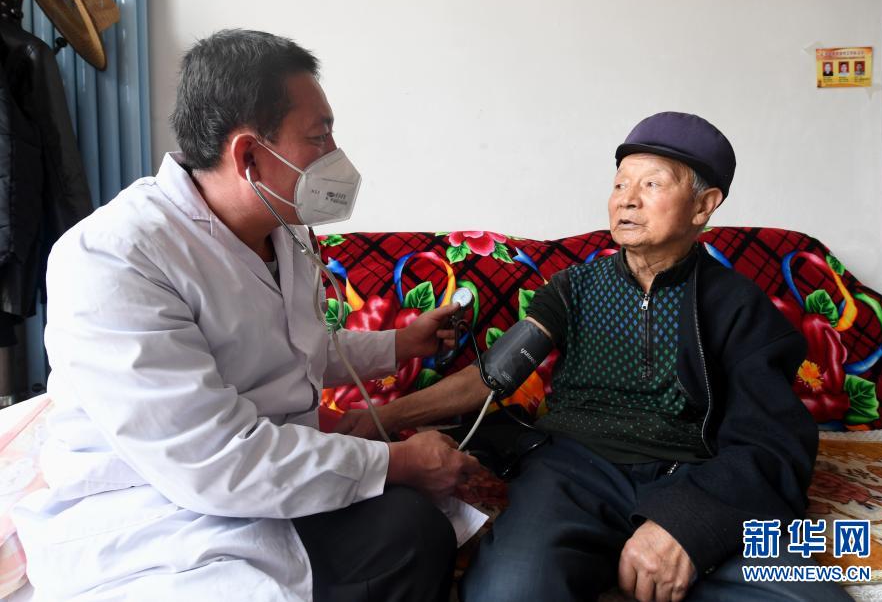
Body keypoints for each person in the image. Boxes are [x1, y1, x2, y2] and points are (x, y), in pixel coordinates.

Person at [11, 29, 481, 602]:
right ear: (249, 156)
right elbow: (212, 459)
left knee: (416, 531)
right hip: (157, 506)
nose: (335, 154)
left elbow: (297, 346)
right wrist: (396, 461)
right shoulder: (115, 256)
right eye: (319, 136)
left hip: (268, 479)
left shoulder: (283, 233)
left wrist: (402, 344)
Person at [337, 112, 851, 601]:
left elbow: (771, 442)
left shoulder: (739, 307)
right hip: (572, 470)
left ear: (703, 205)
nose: (628, 200)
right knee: (510, 591)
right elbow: (492, 376)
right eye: (620, 184)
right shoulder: (573, 289)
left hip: (693, 473)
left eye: (652, 184)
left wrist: (688, 524)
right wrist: (380, 419)